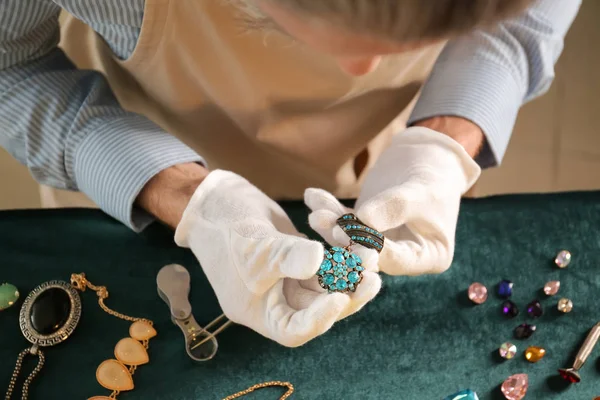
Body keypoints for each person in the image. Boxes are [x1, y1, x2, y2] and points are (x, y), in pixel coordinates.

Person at [0, 0, 581, 347]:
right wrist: (180, 192)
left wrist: (447, 138)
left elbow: (526, 14)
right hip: (133, 142)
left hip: (385, 146)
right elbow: (11, 69)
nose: (361, 68)